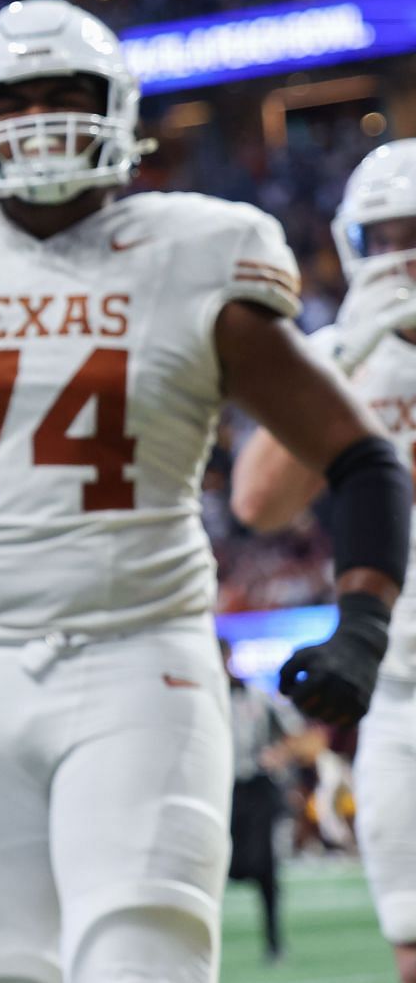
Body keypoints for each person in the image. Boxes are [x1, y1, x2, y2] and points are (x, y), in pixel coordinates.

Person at [0, 0, 408, 983]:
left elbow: (359, 453)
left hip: (140, 657)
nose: (41, 120)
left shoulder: (197, 248)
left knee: (141, 958)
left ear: (119, 111)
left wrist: (365, 621)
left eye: (65, 95)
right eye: (16, 99)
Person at [229, 136, 416, 983]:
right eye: (389, 236)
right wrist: (337, 362)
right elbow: (259, 503)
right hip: (402, 691)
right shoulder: (350, 349)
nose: (405, 257)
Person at [221, 638, 300, 963]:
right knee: (214, 866)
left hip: (256, 787)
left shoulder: (258, 697)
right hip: (220, 789)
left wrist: (279, 755)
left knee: (265, 868)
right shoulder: (200, 698)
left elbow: (298, 737)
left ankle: (273, 941)